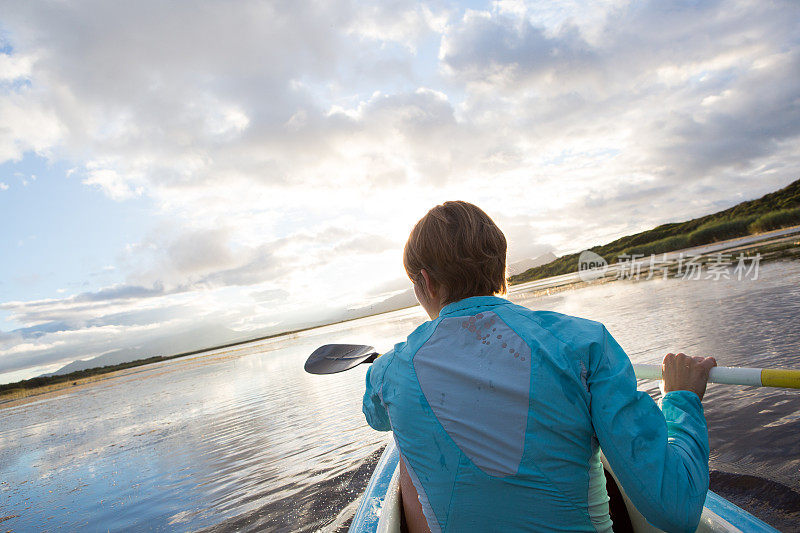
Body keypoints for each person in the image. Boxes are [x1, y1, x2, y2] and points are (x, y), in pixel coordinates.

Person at [362, 201, 717, 532]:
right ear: (500, 267)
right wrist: (682, 397)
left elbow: (376, 417)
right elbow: (676, 510)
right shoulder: (586, 343)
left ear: (424, 282)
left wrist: (383, 370)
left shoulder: (390, 370)